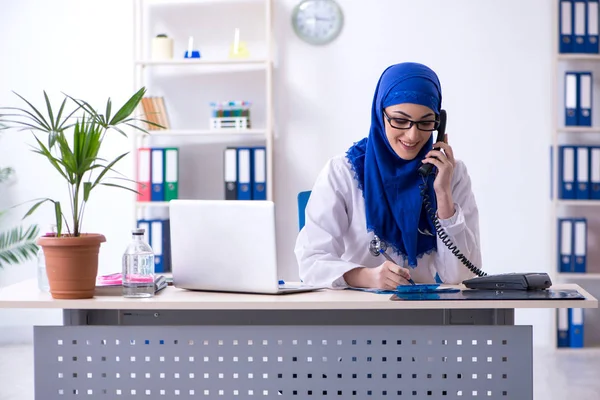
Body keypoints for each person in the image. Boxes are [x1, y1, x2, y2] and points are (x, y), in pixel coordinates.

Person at [294, 62, 481, 290]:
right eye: (400, 121)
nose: (413, 135)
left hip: (427, 314)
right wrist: (366, 277)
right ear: (379, 114)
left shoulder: (450, 173)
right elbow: (310, 262)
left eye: (425, 122)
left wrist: (442, 195)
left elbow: (460, 275)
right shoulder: (342, 171)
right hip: (359, 313)